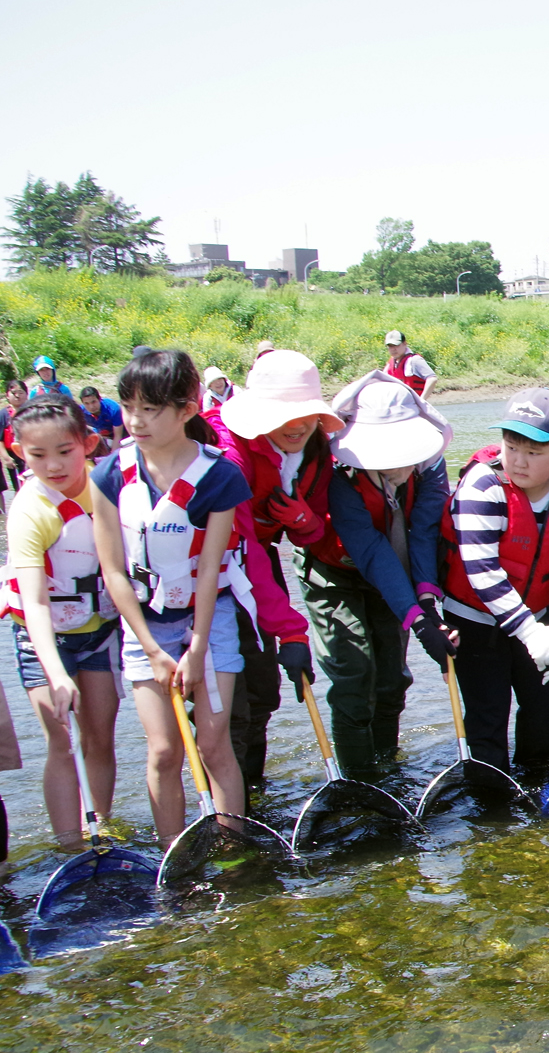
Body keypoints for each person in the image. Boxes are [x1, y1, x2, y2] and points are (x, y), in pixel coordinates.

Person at [91, 350, 257, 846]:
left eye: (150, 409)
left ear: (187, 409)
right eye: (128, 407)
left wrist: (198, 645)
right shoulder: (107, 475)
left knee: (213, 744)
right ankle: (174, 856)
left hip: (208, 619)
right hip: (144, 626)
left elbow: (210, 569)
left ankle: (232, 851)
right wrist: (154, 649)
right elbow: (114, 570)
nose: (135, 421)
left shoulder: (220, 476)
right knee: (164, 751)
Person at [302, 373, 455, 777]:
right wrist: (420, 624)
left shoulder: (430, 468)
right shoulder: (338, 474)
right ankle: (358, 783)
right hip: (336, 572)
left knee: (391, 679)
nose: (393, 465)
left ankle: (387, 772)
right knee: (354, 673)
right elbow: (371, 552)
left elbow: (422, 533)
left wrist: (426, 603)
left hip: (398, 568)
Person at [444, 390, 549, 775]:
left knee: (545, 708)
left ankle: (537, 797)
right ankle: (491, 811)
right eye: (512, 447)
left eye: (534, 451)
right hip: (476, 621)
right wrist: (531, 634)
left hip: (537, 614)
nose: (519, 461)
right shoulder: (483, 486)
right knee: (488, 715)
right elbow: (483, 573)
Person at [212, 350, 346, 787]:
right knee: (233, 705)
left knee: (264, 696)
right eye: (284, 415)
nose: (297, 426)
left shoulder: (314, 452)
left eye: (306, 414)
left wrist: (301, 518)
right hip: (214, 572)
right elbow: (245, 544)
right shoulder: (230, 455)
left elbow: (312, 535)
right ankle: (231, 812)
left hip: (259, 563)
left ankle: (254, 793)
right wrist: (291, 630)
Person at [3, 397, 123, 846]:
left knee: (100, 736)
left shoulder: (107, 488)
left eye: (64, 451)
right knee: (62, 740)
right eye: (37, 455)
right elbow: (33, 602)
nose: (52, 465)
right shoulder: (29, 511)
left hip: (100, 632)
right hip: (42, 639)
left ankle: (103, 831)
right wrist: (55, 674)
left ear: (88, 443)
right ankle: (70, 844)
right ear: (17, 451)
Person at [383, 330, 439, 402]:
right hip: (398, 405)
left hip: (414, 405)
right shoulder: (390, 364)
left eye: (396, 345)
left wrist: (422, 400)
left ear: (405, 344)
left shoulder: (415, 360)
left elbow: (432, 379)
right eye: (390, 346)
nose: (393, 349)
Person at [76, 386, 125, 457]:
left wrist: (112, 458)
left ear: (100, 399)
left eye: (93, 402)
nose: (91, 406)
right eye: (86, 403)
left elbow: (118, 436)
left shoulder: (113, 409)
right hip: (101, 434)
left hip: (121, 433)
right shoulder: (81, 412)